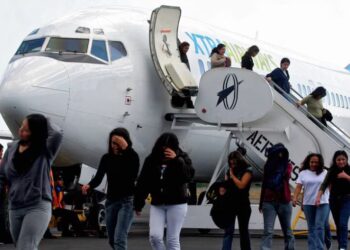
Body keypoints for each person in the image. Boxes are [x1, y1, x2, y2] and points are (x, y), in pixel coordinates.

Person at [0, 114, 63, 250]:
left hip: (37, 205)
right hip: (14, 207)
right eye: (22, 126)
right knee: (20, 246)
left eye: (27, 129)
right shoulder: (11, 149)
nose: (21, 130)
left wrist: (43, 119)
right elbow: (2, 175)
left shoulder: (45, 150)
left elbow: (57, 134)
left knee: (26, 247)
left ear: (36, 132)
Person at [134, 133, 195, 250]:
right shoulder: (151, 159)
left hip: (177, 203)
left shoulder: (182, 158)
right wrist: (138, 203)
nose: (165, 150)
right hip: (158, 203)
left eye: (168, 147)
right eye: (163, 147)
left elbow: (188, 177)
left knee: (172, 239)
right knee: (154, 236)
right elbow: (143, 182)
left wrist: (177, 160)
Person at [82, 128, 139, 250]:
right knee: (112, 239)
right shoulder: (106, 158)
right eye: (112, 142)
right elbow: (98, 177)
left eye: (118, 143)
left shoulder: (132, 157)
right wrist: (89, 185)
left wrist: (126, 149)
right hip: (111, 201)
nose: (114, 146)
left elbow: (133, 175)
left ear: (125, 142)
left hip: (127, 202)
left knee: (119, 239)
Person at [259, 143, 295, 250]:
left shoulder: (287, 165)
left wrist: (279, 162)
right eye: (277, 152)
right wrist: (261, 203)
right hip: (268, 201)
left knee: (288, 231)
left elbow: (286, 175)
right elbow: (264, 184)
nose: (279, 155)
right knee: (268, 231)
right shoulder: (268, 166)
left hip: (284, 201)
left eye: (281, 152)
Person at [293, 153, 329, 250]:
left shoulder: (325, 172)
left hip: (323, 202)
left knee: (319, 226)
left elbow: (330, 187)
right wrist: (295, 198)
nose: (313, 164)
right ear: (308, 162)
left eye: (316, 162)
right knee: (311, 227)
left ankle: (320, 248)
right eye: (312, 162)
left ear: (320, 163)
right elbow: (298, 188)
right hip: (308, 203)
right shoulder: (303, 173)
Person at [316, 150, 350, 250]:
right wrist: (318, 197)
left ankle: (343, 247)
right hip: (334, 200)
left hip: (347, 199)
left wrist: (346, 176)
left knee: (343, 223)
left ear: (346, 160)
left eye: (343, 159)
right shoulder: (331, 171)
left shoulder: (349, 169)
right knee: (338, 225)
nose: (341, 162)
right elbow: (324, 184)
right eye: (338, 159)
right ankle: (341, 245)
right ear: (335, 160)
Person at [222, 151, 253, 250]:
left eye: (234, 162)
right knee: (228, 231)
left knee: (243, 231)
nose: (232, 164)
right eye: (230, 163)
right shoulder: (229, 171)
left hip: (243, 205)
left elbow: (241, 185)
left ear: (239, 161)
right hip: (230, 204)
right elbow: (226, 186)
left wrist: (232, 176)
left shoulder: (248, 170)